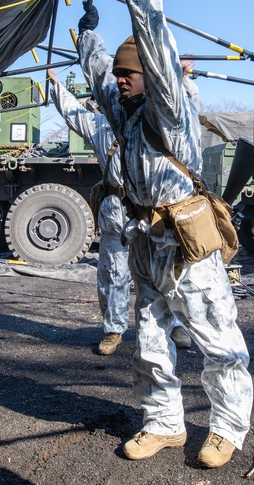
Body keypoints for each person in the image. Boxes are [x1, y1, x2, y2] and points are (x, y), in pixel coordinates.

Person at [75, 0, 253, 468]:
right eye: (122, 74)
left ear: (151, 76)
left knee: (217, 340)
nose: (122, 79)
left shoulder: (171, 113)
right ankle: (163, 424)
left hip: (186, 244)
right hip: (144, 244)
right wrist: (90, 36)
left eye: (131, 73)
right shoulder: (126, 114)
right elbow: (100, 80)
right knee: (151, 340)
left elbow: (155, 48)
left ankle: (226, 428)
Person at [45, 68, 192, 356]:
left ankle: (174, 324)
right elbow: (72, 111)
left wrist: (181, 79)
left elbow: (180, 112)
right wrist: (55, 85)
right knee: (113, 274)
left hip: (152, 213)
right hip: (116, 213)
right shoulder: (99, 126)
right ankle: (114, 330)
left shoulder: (150, 120)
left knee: (163, 272)